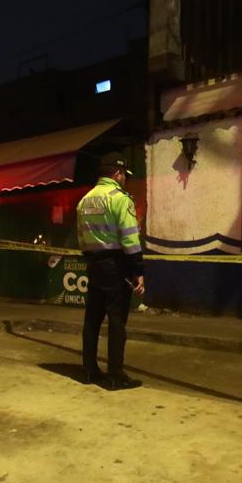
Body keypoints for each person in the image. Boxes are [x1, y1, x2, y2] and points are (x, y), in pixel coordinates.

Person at [76, 152, 145, 391]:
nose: (125, 179)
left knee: (92, 320)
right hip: (116, 266)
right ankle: (115, 375)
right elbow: (130, 238)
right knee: (117, 321)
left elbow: (81, 239)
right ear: (117, 173)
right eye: (124, 174)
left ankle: (89, 370)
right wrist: (138, 270)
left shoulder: (84, 200)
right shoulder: (120, 199)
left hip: (94, 265)